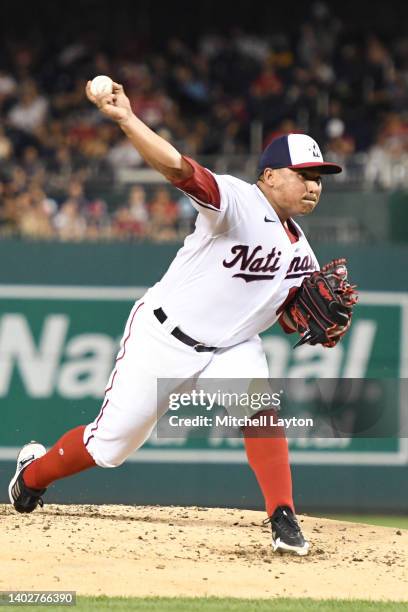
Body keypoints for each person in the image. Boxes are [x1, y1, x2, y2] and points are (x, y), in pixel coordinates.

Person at [8, 80, 342, 556]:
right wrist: (126, 118)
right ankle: (32, 474)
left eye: (319, 177)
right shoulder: (235, 201)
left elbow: (302, 314)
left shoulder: (304, 253)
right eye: (303, 173)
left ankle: (283, 518)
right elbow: (177, 168)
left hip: (230, 350)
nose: (313, 185)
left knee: (260, 411)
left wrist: (321, 325)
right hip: (164, 337)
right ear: (269, 176)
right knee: (110, 448)